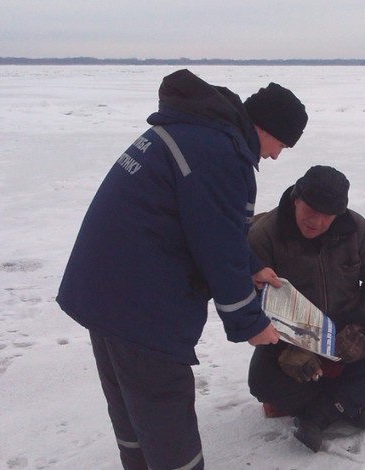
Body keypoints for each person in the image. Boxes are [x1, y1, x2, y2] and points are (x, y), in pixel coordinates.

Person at [56, 69, 308, 470]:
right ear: (267, 127)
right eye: (282, 143)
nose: (276, 155)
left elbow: (203, 223)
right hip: (141, 306)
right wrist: (249, 321)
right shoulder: (219, 152)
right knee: (163, 414)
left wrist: (252, 267)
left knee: (132, 414)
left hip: (103, 293)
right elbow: (215, 243)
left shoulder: (196, 133)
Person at [247, 165, 365, 452]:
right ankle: (347, 403)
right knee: (262, 383)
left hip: (346, 334)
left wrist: (363, 326)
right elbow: (248, 298)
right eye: (311, 209)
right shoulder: (265, 234)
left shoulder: (356, 229)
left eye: (329, 214)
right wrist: (286, 345)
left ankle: (321, 413)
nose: (318, 221)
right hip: (290, 338)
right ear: (296, 198)